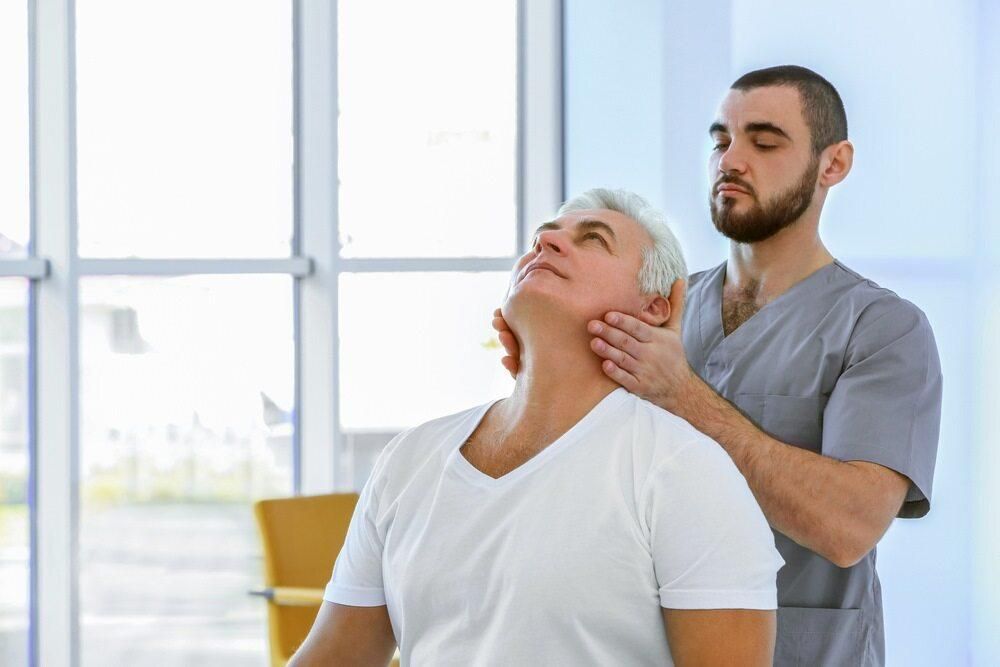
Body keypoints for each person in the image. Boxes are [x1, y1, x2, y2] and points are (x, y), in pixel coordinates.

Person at [495, 65, 943, 666]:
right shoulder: (654, 309)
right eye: (720, 141)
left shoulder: (882, 329)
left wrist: (683, 396)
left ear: (833, 164)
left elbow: (848, 527)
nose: (731, 161)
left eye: (764, 142)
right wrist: (539, 378)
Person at [289, 189, 785, 666]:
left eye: (593, 239)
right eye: (541, 237)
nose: (546, 242)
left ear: (654, 307)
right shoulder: (410, 459)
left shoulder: (685, 471)